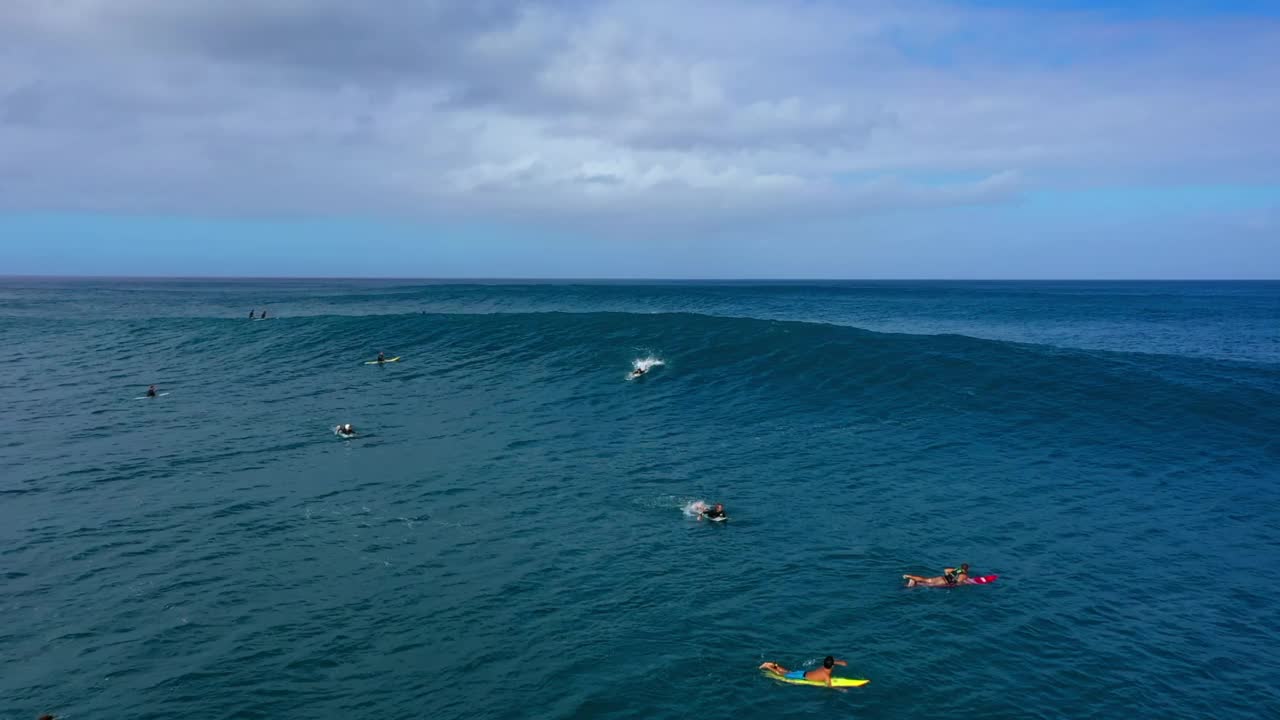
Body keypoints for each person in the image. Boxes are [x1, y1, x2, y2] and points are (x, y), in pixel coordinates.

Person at [760, 656, 848, 687]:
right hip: (801, 677)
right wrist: (840, 689)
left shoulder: (823, 667)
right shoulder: (826, 676)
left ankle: (775, 665)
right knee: (782, 674)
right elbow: (829, 686)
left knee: (788, 672)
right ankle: (768, 666)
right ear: (832, 666)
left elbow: (843, 663)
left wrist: (838, 662)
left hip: (803, 673)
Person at [903, 563, 970, 587]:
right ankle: (914, 583)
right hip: (944, 582)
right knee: (929, 585)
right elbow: (958, 583)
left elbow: (945, 570)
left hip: (942, 578)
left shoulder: (957, 569)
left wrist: (948, 576)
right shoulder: (964, 576)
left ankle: (910, 576)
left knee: (926, 580)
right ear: (966, 569)